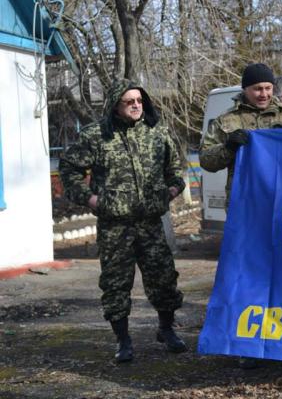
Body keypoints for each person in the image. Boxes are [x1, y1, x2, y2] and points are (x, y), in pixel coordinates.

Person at [59, 79, 188, 363]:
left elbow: (175, 167)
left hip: (150, 223)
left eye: (139, 100)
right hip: (114, 226)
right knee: (116, 284)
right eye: (129, 101)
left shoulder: (156, 131)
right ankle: (123, 340)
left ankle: (166, 329)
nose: (136, 105)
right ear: (115, 105)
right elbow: (69, 168)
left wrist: (172, 189)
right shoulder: (97, 135)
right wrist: (90, 199)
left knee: (164, 278)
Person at [200, 63, 282, 207]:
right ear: (245, 89)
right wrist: (228, 148)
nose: (264, 94)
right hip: (244, 202)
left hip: (280, 200)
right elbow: (205, 161)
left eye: (268, 88)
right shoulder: (226, 120)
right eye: (257, 89)